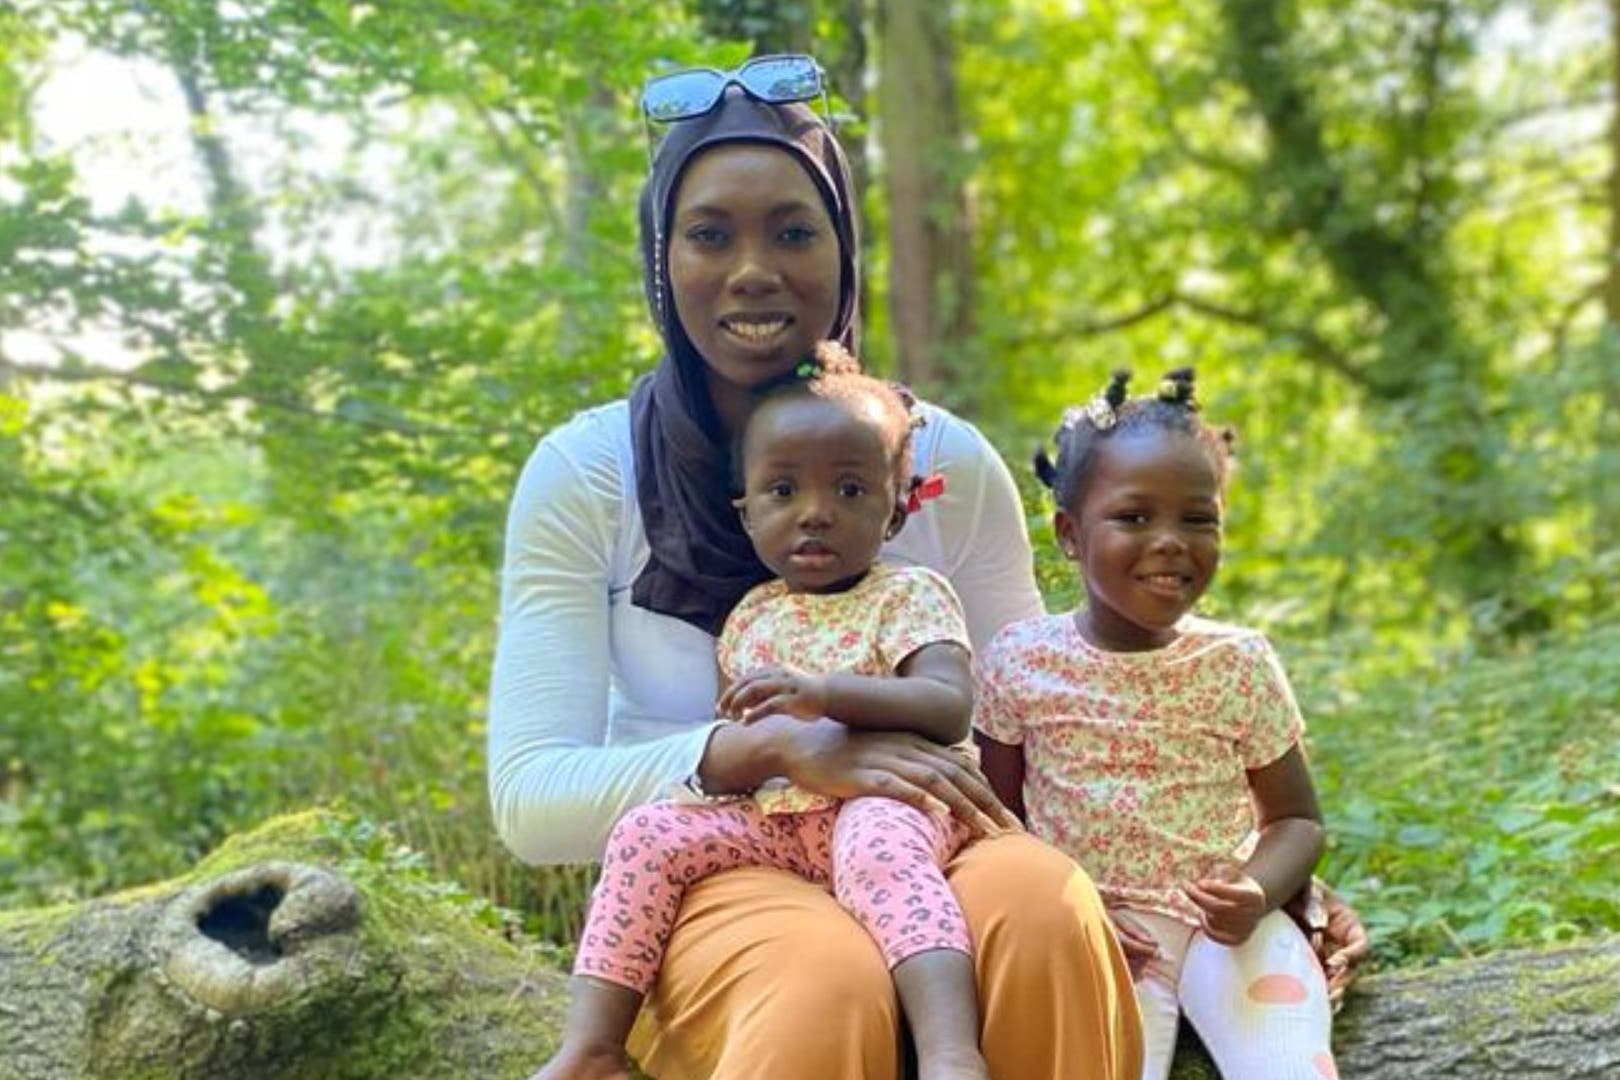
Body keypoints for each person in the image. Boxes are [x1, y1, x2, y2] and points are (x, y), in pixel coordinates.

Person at [488, 57, 1142, 1080]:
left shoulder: (942, 461)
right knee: (821, 980)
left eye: (794, 230)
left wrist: (1234, 891)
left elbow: (1040, 729)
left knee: (1045, 909)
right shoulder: (587, 474)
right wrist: (775, 751)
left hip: (932, 835)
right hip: (720, 867)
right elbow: (531, 802)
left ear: (845, 250)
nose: (754, 269)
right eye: (710, 234)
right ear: (663, 257)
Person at [532, 341, 1002, 1080]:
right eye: (784, 492)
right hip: (781, 823)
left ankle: (949, 1051)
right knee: (648, 832)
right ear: (746, 513)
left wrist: (824, 695)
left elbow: (947, 705)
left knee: (879, 848)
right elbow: (754, 744)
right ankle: (591, 1046)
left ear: (896, 506)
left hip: (894, 804)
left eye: (849, 491)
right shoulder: (753, 617)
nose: (815, 514)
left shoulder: (910, 595)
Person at [974, 369, 1339, 1080]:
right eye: (1135, 517)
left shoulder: (1238, 662)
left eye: (1198, 519)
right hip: (1099, 936)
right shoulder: (1020, 661)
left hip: (1229, 932)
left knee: (1291, 1065)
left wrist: (1257, 893)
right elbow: (997, 819)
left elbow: (1298, 821)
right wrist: (1065, 913)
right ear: (1070, 535)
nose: (1172, 541)